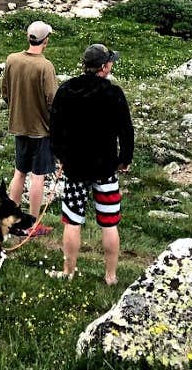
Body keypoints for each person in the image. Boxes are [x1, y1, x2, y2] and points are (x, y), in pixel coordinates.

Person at [48, 42, 134, 284]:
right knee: (109, 222)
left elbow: (55, 128)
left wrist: (61, 157)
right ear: (104, 67)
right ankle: (111, 276)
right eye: (110, 62)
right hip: (105, 168)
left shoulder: (66, 90)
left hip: (75, 167)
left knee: (72, 220)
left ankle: (68, 272)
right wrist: (124, 159)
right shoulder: (113, 93)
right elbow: (126, 131)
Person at [0, 19, 57, 238]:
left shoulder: (12, 59)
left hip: (18, 126)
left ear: (28, 37)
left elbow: (5, 91)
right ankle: (32, 224)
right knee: (38, 176)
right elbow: (52, 100)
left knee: (19, 172)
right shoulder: (45, 66)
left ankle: (12, 222)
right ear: (46, 41)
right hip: (41, 129)